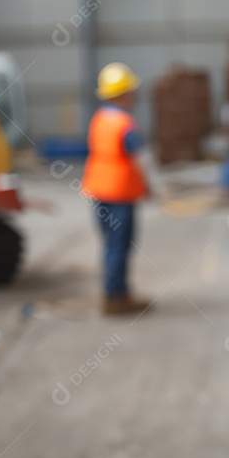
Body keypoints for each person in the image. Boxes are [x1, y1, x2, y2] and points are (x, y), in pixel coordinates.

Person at [81, 62, 151, 316]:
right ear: (123, 94)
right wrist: (150, 186)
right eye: (131, 91)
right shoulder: (125, 124)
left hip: (98, 191)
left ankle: (116, 293)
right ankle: (115, 298)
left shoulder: (99, 119)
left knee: (111, 245)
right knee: (120, 246)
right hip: (120, 194)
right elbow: (140, 158)